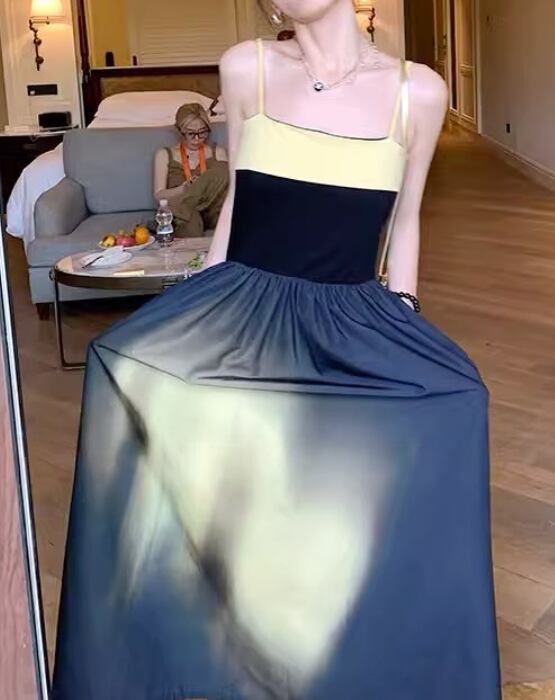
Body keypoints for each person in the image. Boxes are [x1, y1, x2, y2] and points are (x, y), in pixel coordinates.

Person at [51, 2, 502, 698]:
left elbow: (406, 219)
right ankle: (201, 665)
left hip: (350, 312)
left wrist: (404, 316)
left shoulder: (418, 90)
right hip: (246, 303)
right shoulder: (247, 68)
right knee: (130, 375)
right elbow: (237, 203)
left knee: (456, 397)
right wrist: (195, 309)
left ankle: (362, 666)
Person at [153, 103, 229, 237]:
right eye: (191, 133)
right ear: (179, 131)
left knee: (223, 169)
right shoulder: (164, 154)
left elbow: (228, 189)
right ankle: (185, 206)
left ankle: (185, 204)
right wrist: (183, 189)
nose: (197, 139)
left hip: (211, 210)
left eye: (202, 132)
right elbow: (159, 195)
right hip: (184, 214)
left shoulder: (218, 152)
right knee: (189, 218)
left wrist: (197, 187)